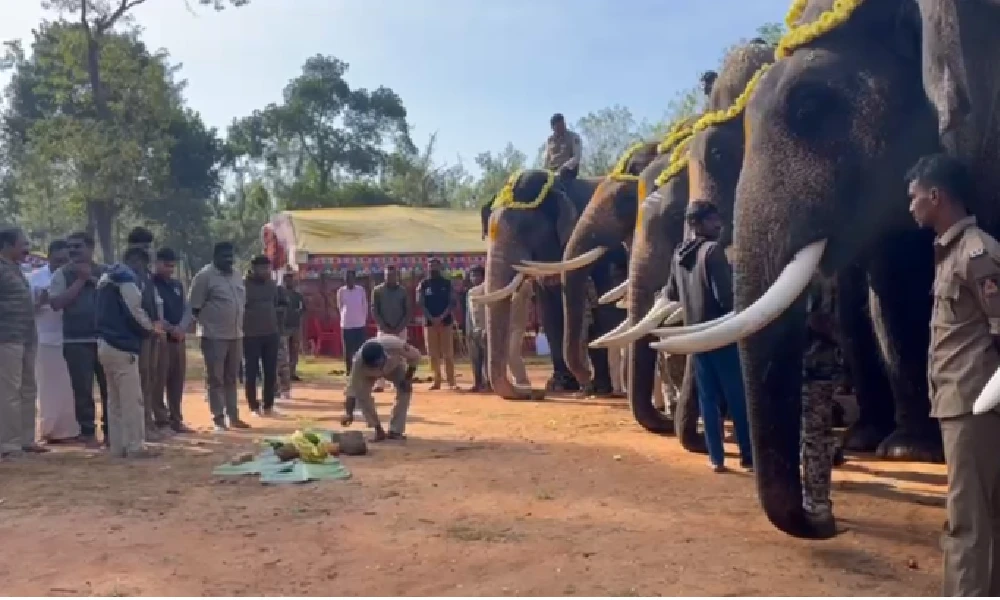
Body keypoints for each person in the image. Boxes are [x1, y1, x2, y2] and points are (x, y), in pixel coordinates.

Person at [907, 153, 1000, 596]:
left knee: (967, 519)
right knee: (986, 514)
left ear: (936, 196)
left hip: (972, 404)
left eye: (914, 197)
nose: (910, 206)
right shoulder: (951, 253)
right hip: (962, 401)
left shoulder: (976, 253)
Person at [665, 200, 753, 473]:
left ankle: (716, 458)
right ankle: (748, 456)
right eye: (711, 219)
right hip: (721, 333)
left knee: (708, 400)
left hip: (696, 336)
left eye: (717, 218)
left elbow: (672, 294)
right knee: (737, 396)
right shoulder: (713, 251)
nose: (718, 224)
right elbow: (724, 297)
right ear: (696, 224)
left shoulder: (679, 254)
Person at [96, 247, 164, 458]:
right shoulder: (125, 280)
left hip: (105, 343)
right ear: (138, 261)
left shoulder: (105, 279)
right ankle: (135, 446)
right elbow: (134, 312)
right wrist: (151, 329)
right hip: (122, 345)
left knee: (114, 400)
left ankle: (118, 446)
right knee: (131, 399)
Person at [48, 231, 108, 447]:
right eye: (70, 246)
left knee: (109, 388)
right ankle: (88, 432)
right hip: (75, 340)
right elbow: (56, 303)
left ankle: (111, 431)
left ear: (91, 249)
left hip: (104, 339)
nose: (73, 250)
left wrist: (92, 279)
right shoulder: (61, 274)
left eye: (78, 246)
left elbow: (115, 298)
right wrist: (81, 281)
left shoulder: (105, 272)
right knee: (82, 390)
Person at [189, 241, 250, 432]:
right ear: (215, 257)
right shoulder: (205, 276)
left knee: (232, 377)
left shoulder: (237, 276)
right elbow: (194, 307)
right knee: (216, 378)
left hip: (235, 335)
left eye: (231, 256)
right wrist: (208, 326)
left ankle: (234, 416)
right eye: (224, 257)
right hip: (214, 336)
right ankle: (218, 419)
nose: (228, 260)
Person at [0, 226, 44, 458]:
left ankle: (27, 439)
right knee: (9, 390)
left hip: (27, 336)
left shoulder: (16, 269)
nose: (26, 249)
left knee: (29, 388)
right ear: (7, 246)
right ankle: (8, 444)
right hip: (7, 337)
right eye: (22, 244)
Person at [30, 239, 79, 443]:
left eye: (65, 260)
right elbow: (26, 309)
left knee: (70, 387)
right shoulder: (34, 278)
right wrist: (39, 301)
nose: (61, 264)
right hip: (44, 337)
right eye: (58, 260)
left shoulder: (73, 276)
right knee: (48, 388)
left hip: (70, 337)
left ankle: (69, 430)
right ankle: (49, 431)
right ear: (49, 257)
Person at [125, 227, 167, 439]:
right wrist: (149, 326)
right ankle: (140, 427)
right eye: (145, 246)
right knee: (140, 380)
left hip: (151, 333)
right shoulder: (127, 273)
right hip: (137, 334)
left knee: (150, 378)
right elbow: (133, 307)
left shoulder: (146, 274)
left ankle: (148, 423)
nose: (149, 251)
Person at [341, 337, 421, 441]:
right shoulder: (358, 363)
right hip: (368, 374)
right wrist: (349, 413)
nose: (378, 367)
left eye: (379, 363)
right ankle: (378, 429)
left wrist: (407, 378)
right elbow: (352, 390)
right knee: (362, 395)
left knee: (405, 390)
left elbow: (416, 356)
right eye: (374, 365)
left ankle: (395, 430)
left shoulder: (394, 345)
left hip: (394, 366)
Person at [152, 247, 193, 433]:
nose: (169, 269)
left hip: (179, 339)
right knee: (160, 380)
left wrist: (182, 328)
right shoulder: (152, 284)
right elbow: (155, 312)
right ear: (157, 263)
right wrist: (170, 328)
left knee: (177, 380)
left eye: (172, 266)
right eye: (166, 265)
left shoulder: (177, 285)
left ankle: (176, 419)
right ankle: (161, 421)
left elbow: (187, 308)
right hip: (162, 339)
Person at [242, 255, 285, 417]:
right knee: (251, 371)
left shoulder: (272, 285)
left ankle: (268, 405)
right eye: (263, 268)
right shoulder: (243, 285)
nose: (266, 271)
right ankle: (253, 406)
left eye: (268, 268)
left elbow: (277, 305)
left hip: (271, 333)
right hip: (250, 334)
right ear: (253, 268)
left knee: (270, 371)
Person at [371, 265, 413, 391]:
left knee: (401, 356)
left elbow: (408, 311)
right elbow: (374, 310)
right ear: (384, 276)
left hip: (400, 329)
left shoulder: (403, 291)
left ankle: (399, 383)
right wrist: (384, 326)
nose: (390, 277)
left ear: (396, 276)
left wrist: (399, 327)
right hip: (383, 330)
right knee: (380, 356)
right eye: (388, 275)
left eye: (392, 275)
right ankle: (380, 384)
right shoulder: (377, 291)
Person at [418, 258, 456, 390]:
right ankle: (436, 380)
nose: (432, 268)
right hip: (429, 324)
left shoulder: (447, 283)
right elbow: (421, 304)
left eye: (435, 265)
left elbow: (452, 302)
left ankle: (451, 381)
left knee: (448, 354)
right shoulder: (424, 284)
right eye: (430, 265)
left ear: (440, 267)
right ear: (427, 268)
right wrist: (432, 319)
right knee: (433, 354)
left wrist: (441, 317)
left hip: (445, 323)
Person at [336, 270, 368, 375]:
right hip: (346, 324)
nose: (349, 280)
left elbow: (365, 306)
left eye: (351, 278)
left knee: (360, 348)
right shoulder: (341, 291)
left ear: (354, 279)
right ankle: (349, 370)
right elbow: (340, 306)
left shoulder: (360, 290)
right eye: (347, 278)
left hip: (359, 323)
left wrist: (363, 319)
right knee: (348, 349)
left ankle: (361, 369)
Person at [465, 266, 488, 392]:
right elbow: (469, 313)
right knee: (475, 359)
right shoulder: (470, 292)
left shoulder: (488, 289)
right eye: (472, 275)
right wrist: (468, 330)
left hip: (485, 329)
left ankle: (489, 383)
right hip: (473, 330)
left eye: (477, 275)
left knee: (487, 358)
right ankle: (477, 383)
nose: (474, 278)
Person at [508, 278, 532, 388]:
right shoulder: (502, 284)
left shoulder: (525, 285)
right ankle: (517, 379)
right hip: (505, 326)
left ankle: (522, 380)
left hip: (518, 325)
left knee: (513, 353)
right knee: (508, 355)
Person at [543, 113, 583, 179]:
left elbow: (577, 157)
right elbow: (546, 158)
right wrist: (544, 171)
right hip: (552, 170)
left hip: (568, 170)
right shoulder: (550, 140)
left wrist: (565, 167)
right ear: (553, 127)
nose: (561, 128)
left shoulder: (573, 137)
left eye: (563, 125)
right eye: (558, 127)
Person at [282, 272, 305, 382]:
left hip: (295, 325)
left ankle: (292, 372)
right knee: (285, 351)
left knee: (294, 350)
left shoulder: (297, 295)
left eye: (291, 280)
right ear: (284, 281)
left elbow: (304, 308)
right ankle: (284, 373)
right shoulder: (280, 294)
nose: (290, 282)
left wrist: (299, 313)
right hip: (284, 326)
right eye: (287, 280)